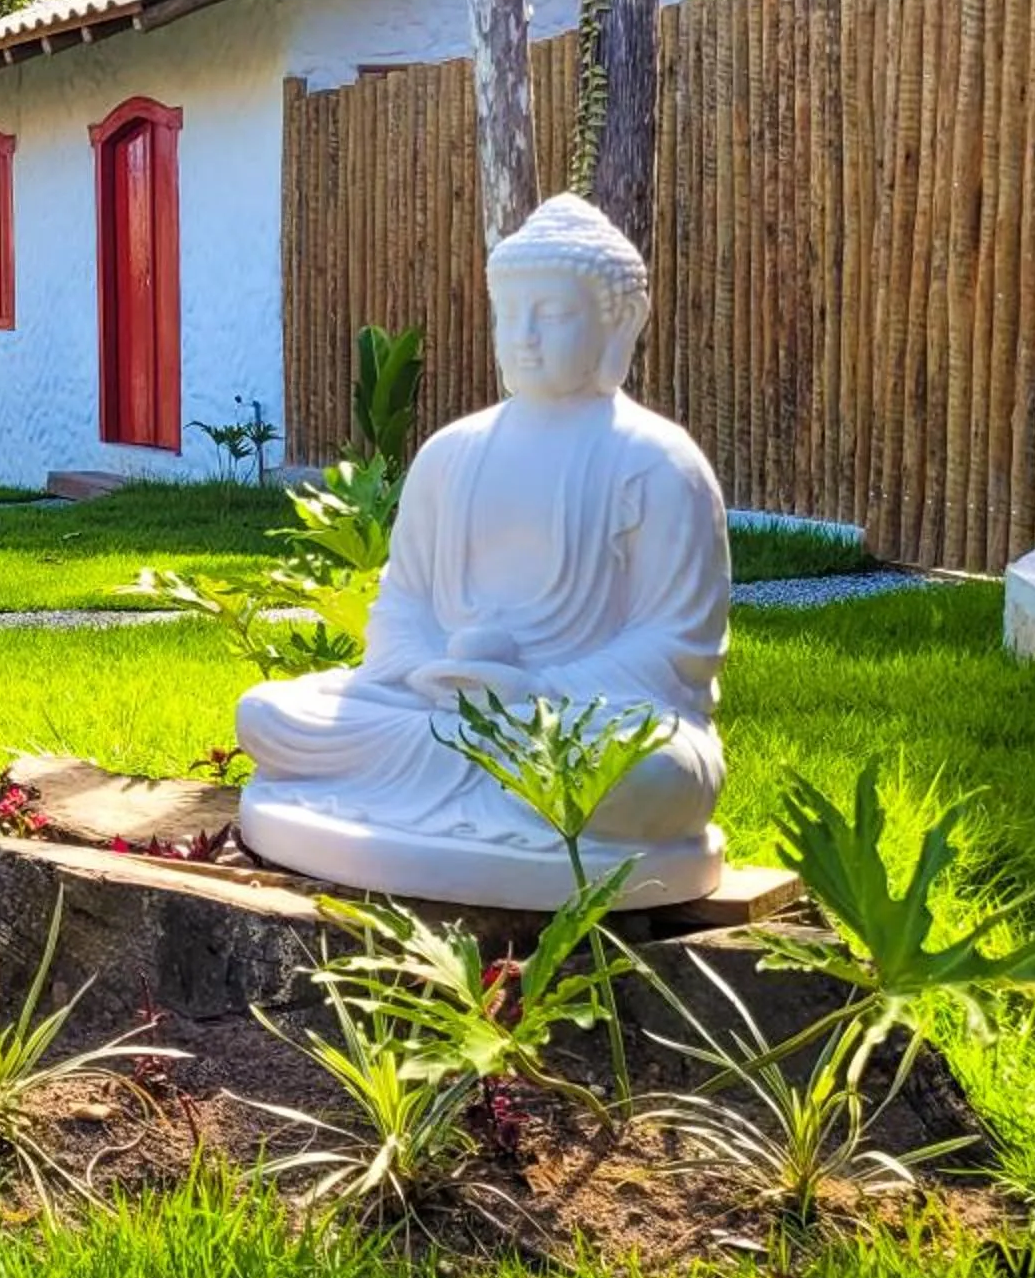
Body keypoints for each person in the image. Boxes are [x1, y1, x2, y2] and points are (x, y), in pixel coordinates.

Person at [234, 193, 731, 909]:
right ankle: (489, 791)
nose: (524, 336)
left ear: (618, 323)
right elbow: (400, 606)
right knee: (270, 716)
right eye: (511, 313)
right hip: (436, 710)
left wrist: (538, 691)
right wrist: (432, 671)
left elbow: (679, 649)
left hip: (581, 722)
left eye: (553, 314)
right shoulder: (453, 454)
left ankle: (492, 789)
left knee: (647, 776)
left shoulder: (656, 463)